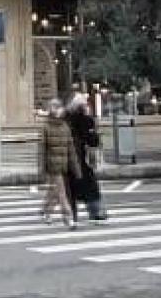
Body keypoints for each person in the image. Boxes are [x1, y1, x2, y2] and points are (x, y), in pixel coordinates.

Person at [64, 92, 106, 223]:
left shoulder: (66, 119)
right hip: (83, 158)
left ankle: (72, 214)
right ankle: (95, 211)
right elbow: (92, 140)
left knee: (71, 188)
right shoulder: (86, 120)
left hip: (69, 158)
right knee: (91, 186)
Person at [38, 104, 76, 228]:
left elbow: (71, 148)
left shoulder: (65, 127)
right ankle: (68, 217)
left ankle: (45, 210)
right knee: (61, 192)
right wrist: (41, 168)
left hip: (63, 164)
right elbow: (42, 149)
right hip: (52, 165)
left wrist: (75, 166)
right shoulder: (46, 127)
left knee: (54, 190)